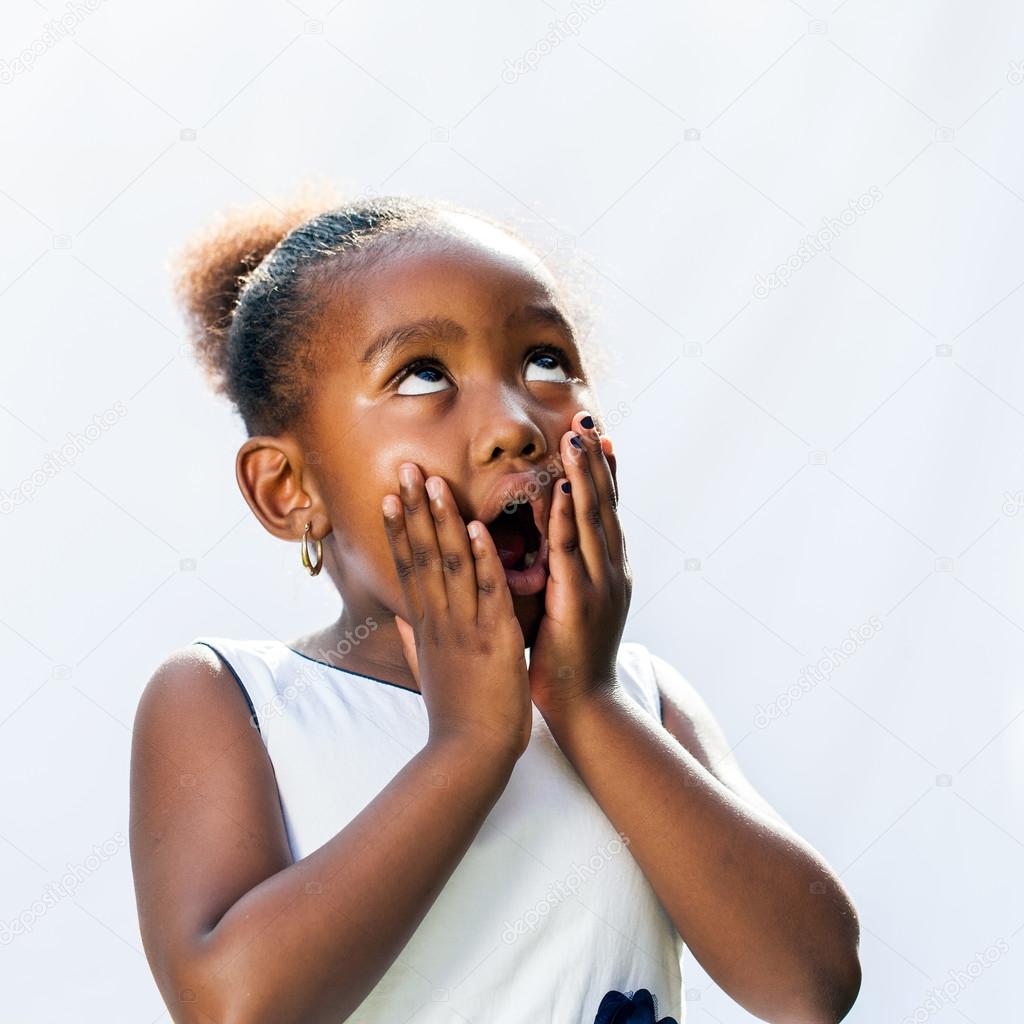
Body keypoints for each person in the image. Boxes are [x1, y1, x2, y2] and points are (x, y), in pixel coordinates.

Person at [128, 185, 861, 1023]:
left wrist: (584, 703)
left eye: (545, 361)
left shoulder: (640, 699)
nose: (516, 425)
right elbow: (234, 1006)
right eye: (423, 374)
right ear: (289, 488)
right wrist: (469, 745)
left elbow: (812, 984)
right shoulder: (234, 700)